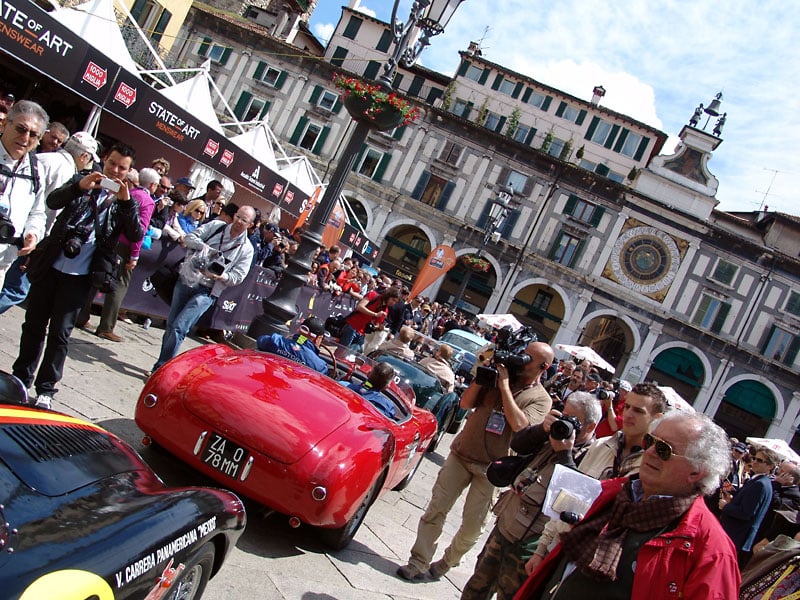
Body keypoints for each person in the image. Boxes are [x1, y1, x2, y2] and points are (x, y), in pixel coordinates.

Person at [515, 411, 740, 600]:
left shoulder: (711, 550)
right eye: (650, 441)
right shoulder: (615, 494)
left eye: (664, 450)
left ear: (696, 471)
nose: (650, 452)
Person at [396, 342, 555, 582]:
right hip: (462, 454)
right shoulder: (497, 377)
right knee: (435, 509)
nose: (521, 360)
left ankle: (445, 563)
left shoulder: (541, 398)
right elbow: (465, 403)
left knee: (472, 527)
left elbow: (522, 426)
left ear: (544, 366)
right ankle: (418, 561)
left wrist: (504, 387)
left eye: (528, 358)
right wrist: (483, 377)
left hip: (493, 470)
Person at [12, 142, 142, 409]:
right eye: (112, 164)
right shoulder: (82, 181)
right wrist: (78, 187)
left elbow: (135, 234)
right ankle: (21, 378)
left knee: (60, 333)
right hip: (51, 266)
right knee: (33, 325)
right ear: (104, 160)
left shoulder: (124, 202)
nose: (115, 171)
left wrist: (127, 204)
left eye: (122, 168)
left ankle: (46, 388)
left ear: (128, 172)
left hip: (81, 276)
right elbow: (52, 200)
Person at [461, 392, 601, 600]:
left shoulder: (591, 456)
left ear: (590, 427)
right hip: (507, 523)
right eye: (564, 415)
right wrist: (541, 429)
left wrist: (565, 453)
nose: (566, 423)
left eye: (574, 420)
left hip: (531, 540)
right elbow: (518, 444)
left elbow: (575, 497)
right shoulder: (552, 434)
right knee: (477, 587)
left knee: (512, 594)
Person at [526, 382, 667, 573]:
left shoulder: (651, 466)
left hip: (597, 562)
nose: (628, 414)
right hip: (562, 546)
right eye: (626, 407)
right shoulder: (601, 445)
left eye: (638, 411)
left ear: (656, 418)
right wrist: (541, 549)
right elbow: (566, 499)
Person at [0, 131, 99, 315]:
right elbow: (51, 209)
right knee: (17, 289)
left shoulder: (42, 158)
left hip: (15, 230)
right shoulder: (67, 172)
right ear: (84, 156)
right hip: (30, 236)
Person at [150, 206, 255, 374]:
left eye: (244, 220)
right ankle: (162, 363)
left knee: (179, 327)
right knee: (171, 325)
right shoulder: (216, 227)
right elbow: (189, 238)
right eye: (238, 217)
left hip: (207, 291)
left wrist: (220, 276)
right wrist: (203, 248)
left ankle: (161, 369)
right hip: (186, 280)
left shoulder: (246, 249)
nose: (238, 222)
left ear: (250, 224)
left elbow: (239, 276)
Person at [82, 167, 157, 340]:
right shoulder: (147, 201)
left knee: (97, 277)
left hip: (110, 239)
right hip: (125, 246)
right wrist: (135, 255)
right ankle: (106, 326)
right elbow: (139, 230)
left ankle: (81, 315)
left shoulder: (128, 193)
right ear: (152, 185)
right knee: (119, 285)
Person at [0, 100, 49, 289]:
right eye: (21, 129)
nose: (26, 137)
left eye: (34, 134)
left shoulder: (36, 170)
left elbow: (38, 213)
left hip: (3, 261)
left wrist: (33, 234)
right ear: (5, 124)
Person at [720, 445, 780, 567]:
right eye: (754, 458)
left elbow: (746, 513)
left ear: (770, 466)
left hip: (735, 536)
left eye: (759, 460)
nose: (754, 462)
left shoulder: (760, 484)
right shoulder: (761, 482)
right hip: (736, 537)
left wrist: (725, 506)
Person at [257, 316, 329, 375]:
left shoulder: (275, 341)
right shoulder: (320, 366)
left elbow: (261, 341)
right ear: (318, 338)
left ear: (299, 330)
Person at [339, 285, 402, 350]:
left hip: (362, 333)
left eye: (395, 302)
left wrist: (380, 328)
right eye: (393, 300)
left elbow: (376, 324)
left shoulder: (385, 310)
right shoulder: (373, 295)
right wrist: (375, 314)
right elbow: (359, 307)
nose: (393, 303)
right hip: (352, 326)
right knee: (341, 352)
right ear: (388, 296)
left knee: (356, 357)